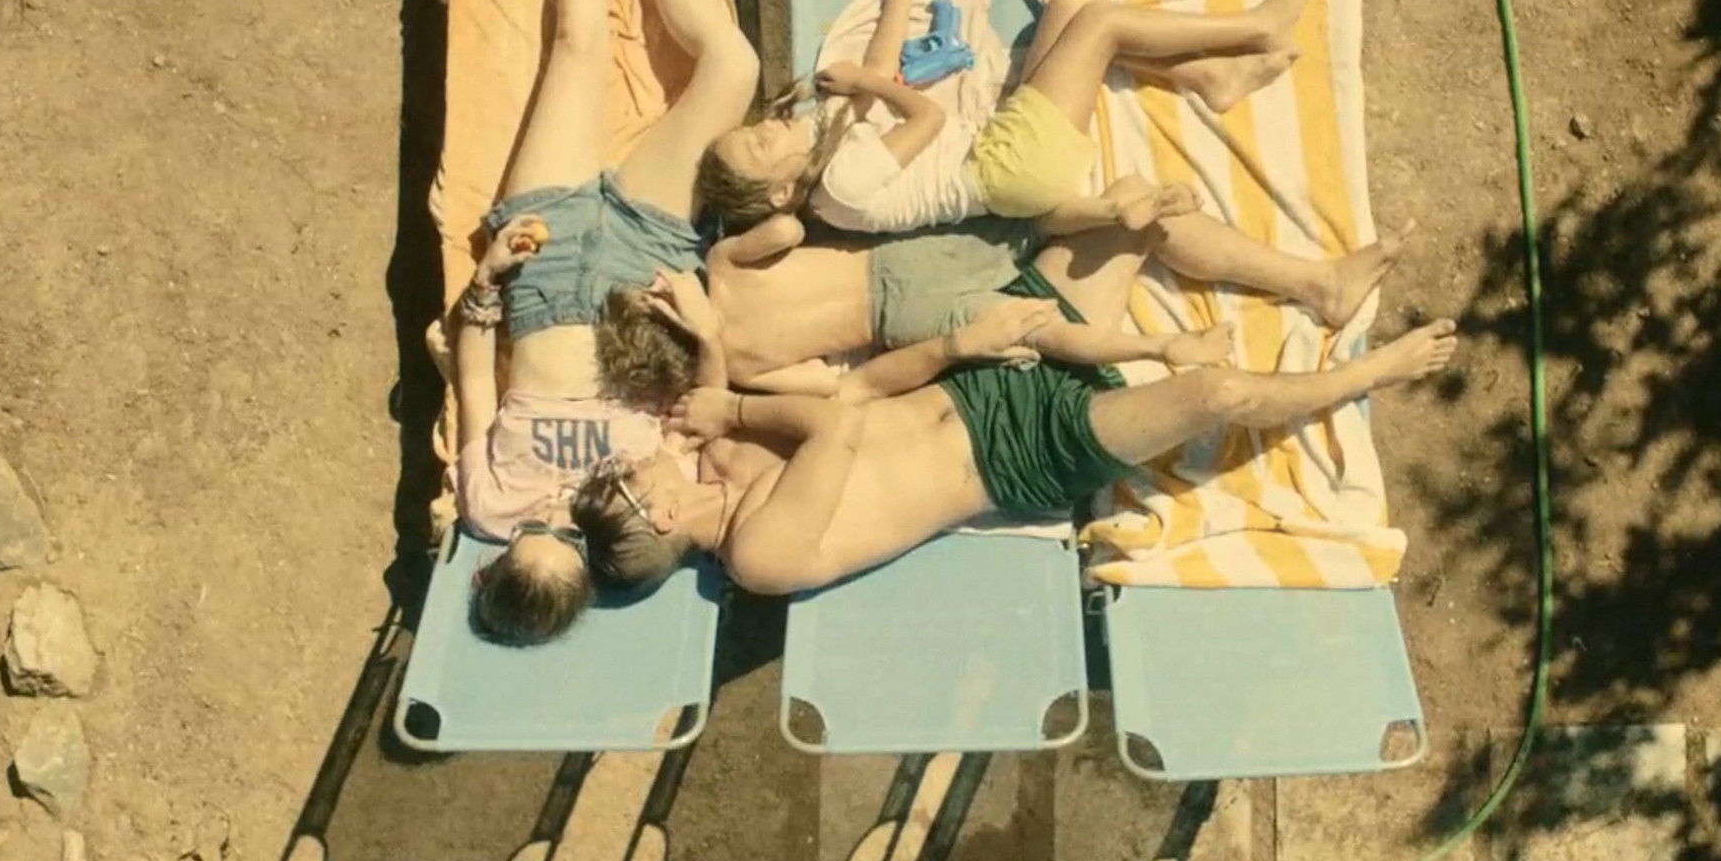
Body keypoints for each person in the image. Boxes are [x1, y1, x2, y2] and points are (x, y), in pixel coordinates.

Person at [573, 231, 1459, 595]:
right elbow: (833, 425)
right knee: (1217, 394)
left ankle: (1320, 285)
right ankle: (1366, 375)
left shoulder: (718, 463)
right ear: (658, 515)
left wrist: (964, 342)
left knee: (1138, 217)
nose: (636, 457)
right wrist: (732, 405)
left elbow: (861, 392)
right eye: (627, 475)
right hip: (1026, 454)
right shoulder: (757, 556)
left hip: (979, 379)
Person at [449, 0, 758, 644]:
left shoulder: (487, 504)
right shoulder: (632, 529)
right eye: (570, 539)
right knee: (732, 70)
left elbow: (476, 376)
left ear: (494, 558)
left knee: (578, 46)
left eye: (535, 533)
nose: (555, 515)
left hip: (540, 269)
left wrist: (487, 281)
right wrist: (705, 332)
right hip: (638, 284)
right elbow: (702, 416)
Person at [696, 0, 1315, 236]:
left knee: (1072, 2)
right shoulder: (840, 183)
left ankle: (1208, 77)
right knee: (1098, 25)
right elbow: (926, 117)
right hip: (1012, 169)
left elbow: (877, 75)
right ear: (780, 193)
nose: (768, 126)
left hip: (998, 140)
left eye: (755, 128)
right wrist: (861, 78)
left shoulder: (825, 146)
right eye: (759, 145)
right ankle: (1256, 25)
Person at [703, 203, 1412, 383]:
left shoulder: (736, 367)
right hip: (892, 264)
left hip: (893, 319)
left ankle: (1160, 346)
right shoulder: (721, 266)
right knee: (1090, 217)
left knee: (1038, 328)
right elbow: (788, 229)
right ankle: (1317, 283)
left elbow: (832, 385)